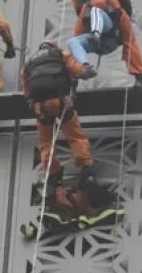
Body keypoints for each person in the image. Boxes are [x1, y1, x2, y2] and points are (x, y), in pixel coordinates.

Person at [21, 40, 94, 187]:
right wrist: (85, 72)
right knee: (75, 136)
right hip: (61, 102)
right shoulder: (59, 54)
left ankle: (53, 173)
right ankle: (85, 166)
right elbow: (74, 68)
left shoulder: (29, 64)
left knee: (46, 143)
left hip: (41, 107)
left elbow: (27, 91)